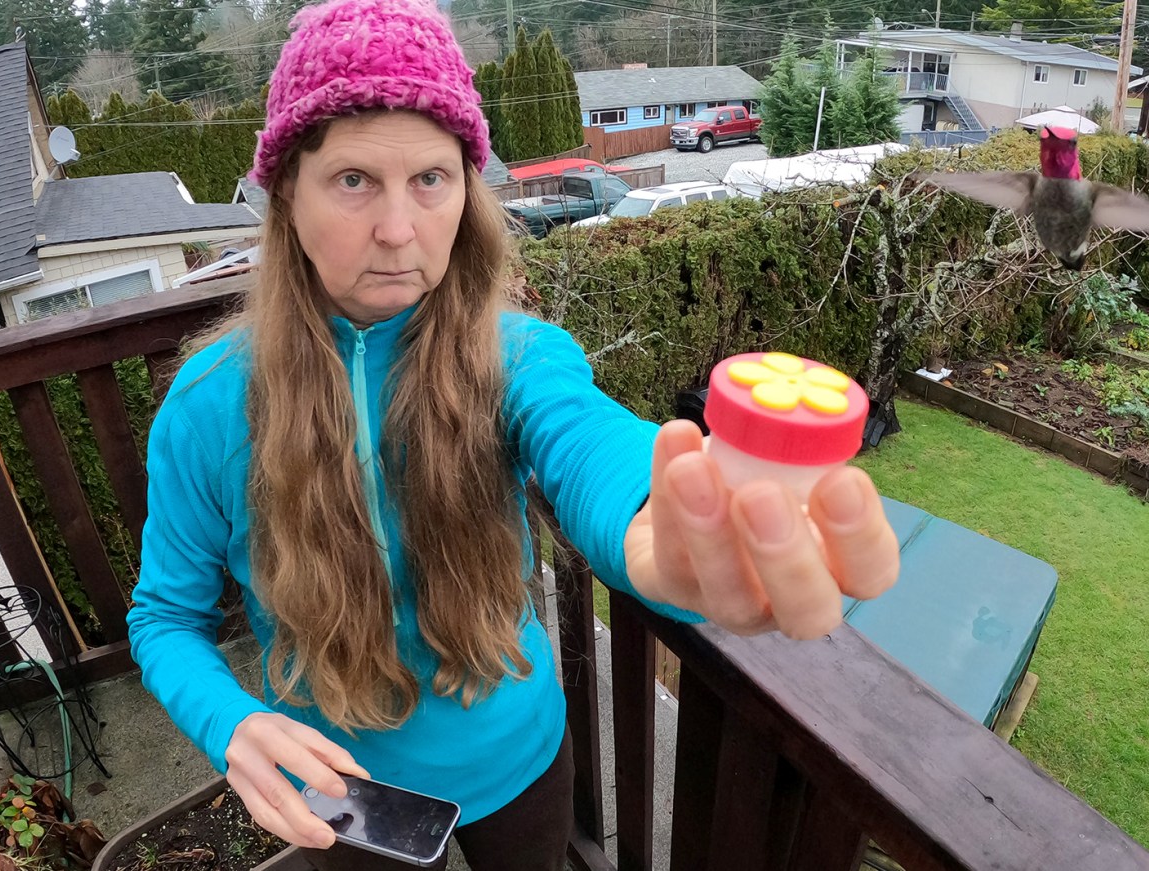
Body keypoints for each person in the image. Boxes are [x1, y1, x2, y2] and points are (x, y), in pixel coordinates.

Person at [125, 1, 900, 869]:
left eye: (431, 178)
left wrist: (669, 515)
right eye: (353, 181)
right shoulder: (208, 405)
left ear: (466, 189)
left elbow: (590, 443)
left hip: (518, 755)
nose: (397, 228)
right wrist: (229, 721)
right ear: (286, 197)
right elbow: (164, 618)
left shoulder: (516, 355)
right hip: (342, 790)